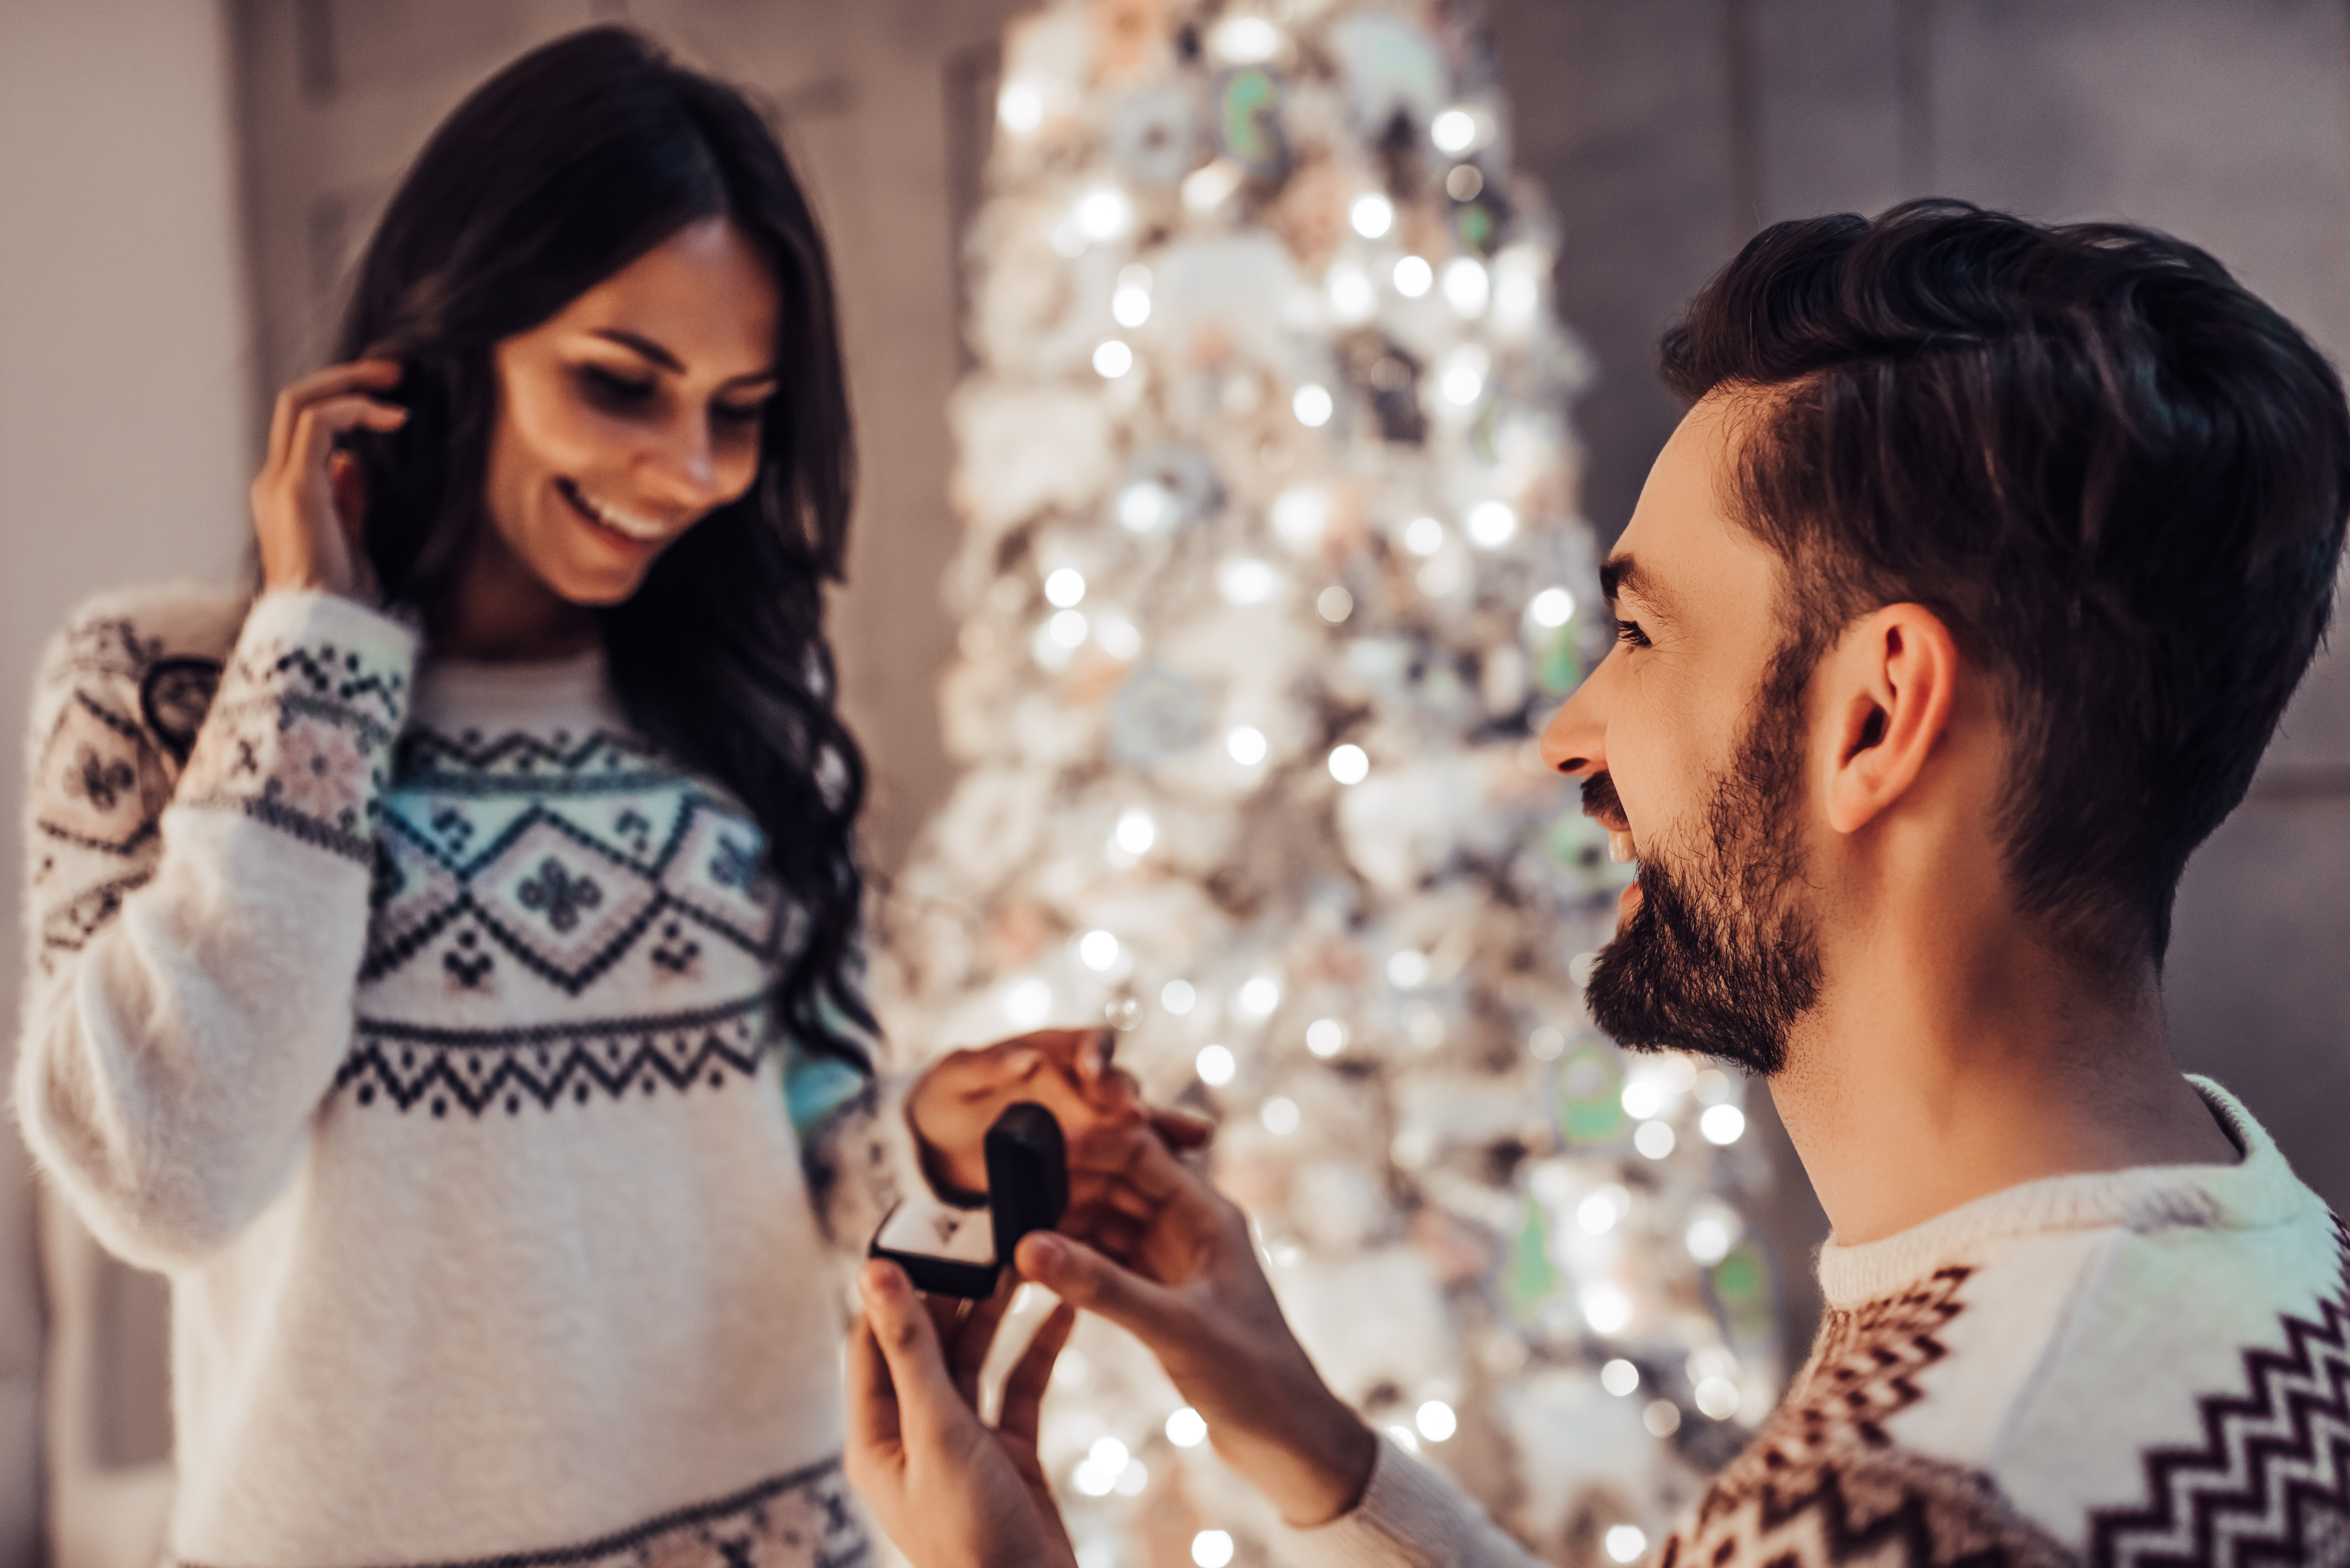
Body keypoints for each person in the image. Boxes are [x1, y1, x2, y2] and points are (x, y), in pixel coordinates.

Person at [842, 200, 2350, 1568]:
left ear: (1876, 717)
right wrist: (1318, 1452)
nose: (1568, 736)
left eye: (1640, 637)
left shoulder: (1924, 1500)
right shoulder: (2268, 1255)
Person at [11, 27, 1171, 1568]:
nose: (687, 469)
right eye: (621, 383)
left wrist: (941, 1152)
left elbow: (817, 1179)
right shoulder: (161, 690)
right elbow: (165, 1176)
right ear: (446, 344)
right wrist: (320, 654)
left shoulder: (736, 706)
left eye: (737, 407)